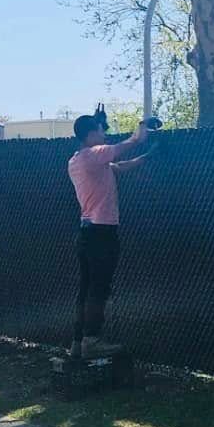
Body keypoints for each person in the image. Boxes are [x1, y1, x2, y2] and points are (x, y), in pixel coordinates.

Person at [66, 110, 153, 358]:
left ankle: (78, 341)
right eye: (101, 130)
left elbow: (119, 166)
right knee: (99, 287)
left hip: (86, 232)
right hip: (102, 231)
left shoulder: (79, 160)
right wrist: (141, 129)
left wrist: (146, 158)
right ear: (91, 134)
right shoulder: (93, 155)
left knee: (86, 287)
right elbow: (128, 144)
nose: (104, 134)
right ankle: (92, 340)